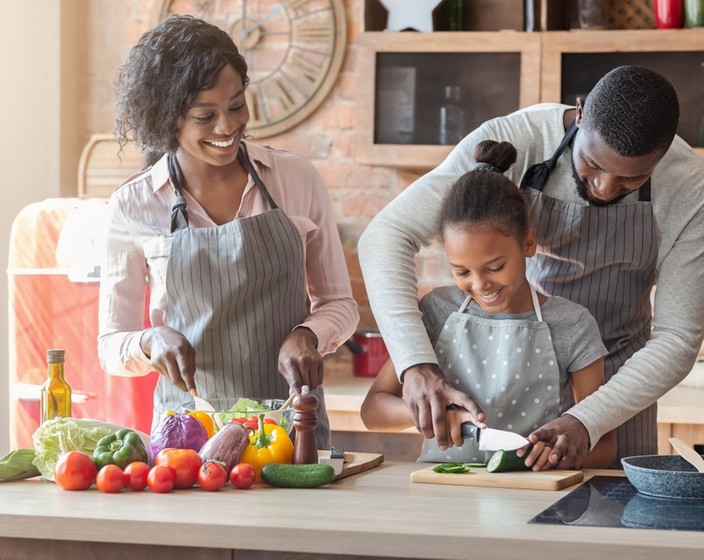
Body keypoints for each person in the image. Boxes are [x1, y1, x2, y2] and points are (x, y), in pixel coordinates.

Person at [358, 65, 704, 468]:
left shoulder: (689, 187)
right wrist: (415, 364)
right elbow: (385, 235)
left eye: (631, 180)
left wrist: (587, 419)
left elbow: (678, 338)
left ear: (660, 160)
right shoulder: (517, 140)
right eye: (592, 164)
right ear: (581, 111)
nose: (606, 189)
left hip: (626, 381)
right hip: (515, 359)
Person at [98, 15, 358, 449]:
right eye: (206, 115)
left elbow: (339, 304)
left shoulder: (295, 178)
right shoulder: (133, 204)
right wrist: (148, 340)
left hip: (290, 431)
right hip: (187, 439)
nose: (227, 127)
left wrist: (308, 334)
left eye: (236, 105)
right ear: (167, 120)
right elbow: (110, 345)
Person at [360, 140, 616, 470]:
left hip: (534, 497)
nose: (481, 285)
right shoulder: (437, 310)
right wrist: (432, 413)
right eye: (462, 271)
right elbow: (373, 410)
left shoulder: (573, 324)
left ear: (528, 243)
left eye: (495, 267)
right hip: (441, 494)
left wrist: (561, 455)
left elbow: (606, 445)